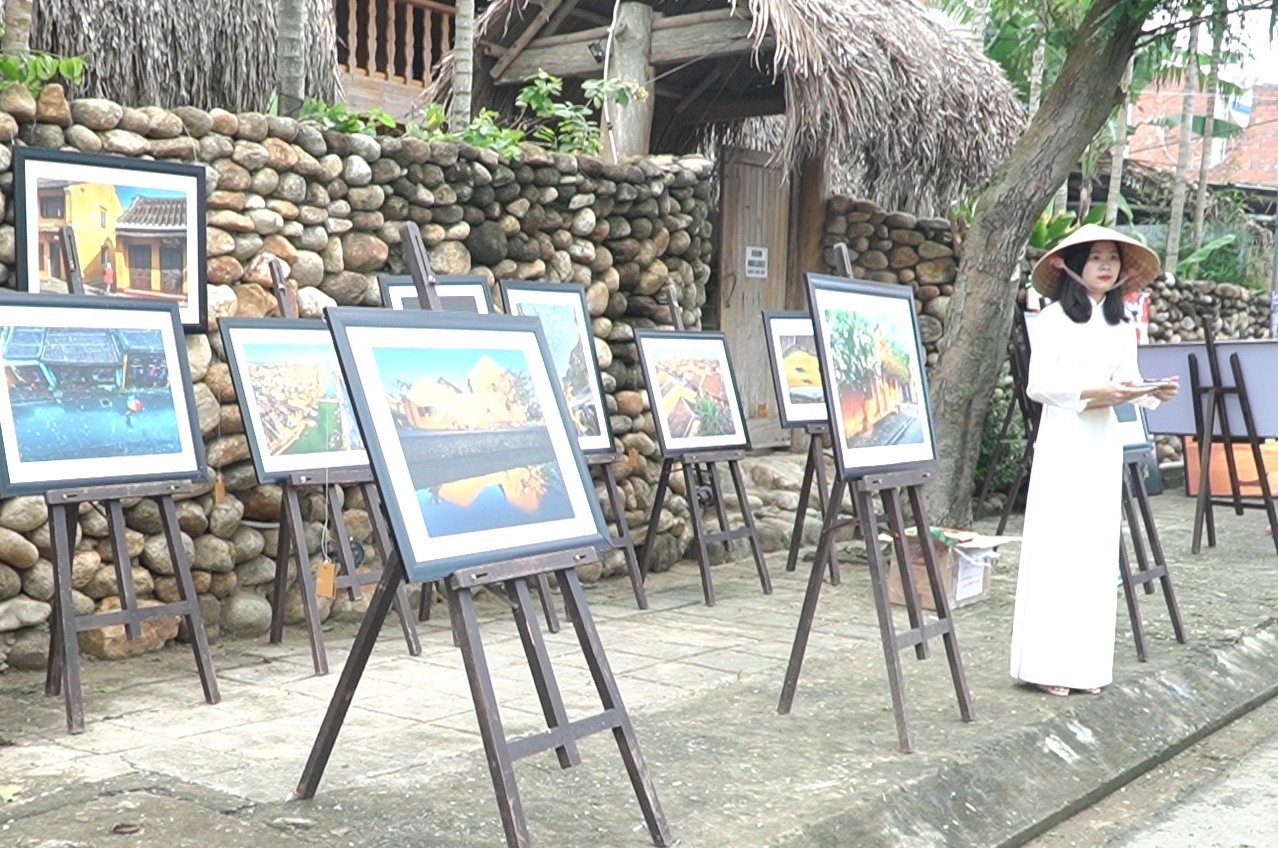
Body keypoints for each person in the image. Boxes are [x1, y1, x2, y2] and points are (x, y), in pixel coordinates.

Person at [1009, 224, 1179, 697]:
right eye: (1096, 258)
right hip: (1065, 438)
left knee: (1095, 551)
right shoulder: (1055, 319)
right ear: (1071, 266)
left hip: (1103, 443)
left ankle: (1085, 669)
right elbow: (1039, 385)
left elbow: (1128, 381)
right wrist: (1090, 392)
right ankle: (1045, 667)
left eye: (1112, 259)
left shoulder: (1122, 325)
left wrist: (1153, 394)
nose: (1106, 266)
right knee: (1058, 547)